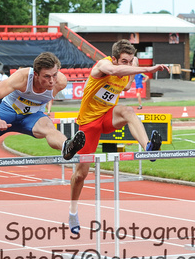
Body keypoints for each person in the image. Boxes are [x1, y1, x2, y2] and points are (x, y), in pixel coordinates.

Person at [68, 39, 169, 234]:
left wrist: (134, 66)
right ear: (114, 59)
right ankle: (73, 212)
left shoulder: (128, 67)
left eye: (131, 61)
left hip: (107, 118)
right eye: (124, 61)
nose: (128, 65)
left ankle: (149, 149)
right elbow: (114, 72)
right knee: (81, 175)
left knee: (128, 111)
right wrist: (146, 69)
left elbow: (127, 87)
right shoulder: (103, 65)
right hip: (88, 123)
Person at [0, 52, 86, 164]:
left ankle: (67, 146)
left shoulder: (60, 82)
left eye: (54, 75)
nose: (51, 81)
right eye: (46, 76)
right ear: (36, 74)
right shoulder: (23, 77)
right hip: (7, 113)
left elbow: (51, 87)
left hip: (32, 117)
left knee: (48, 127)